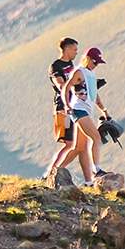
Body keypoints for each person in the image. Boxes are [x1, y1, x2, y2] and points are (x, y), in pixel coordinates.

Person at [55, 46, 110, 187]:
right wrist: (67, 105)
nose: (96, 65)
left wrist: (104, 110)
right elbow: (66, 87)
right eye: (94, 62)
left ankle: (56, 172)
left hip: (86, 111)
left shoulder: (91, 75)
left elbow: (95, 95)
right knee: (96, 137)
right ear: (88, 59)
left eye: (98, 63)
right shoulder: (80, 72)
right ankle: (96, 170)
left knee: (79, 147)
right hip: (78, 110)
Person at [42, 37, 79, 179]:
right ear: (67, 49)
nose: (76, 53)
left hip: (73, 104)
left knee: (73, 143)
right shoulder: (55, 66)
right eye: (74, 49)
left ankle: (53, 172)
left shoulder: (71, 64)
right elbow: (61, 85)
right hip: (62, 106)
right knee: (69, 143)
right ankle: (52, 172)